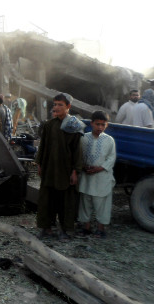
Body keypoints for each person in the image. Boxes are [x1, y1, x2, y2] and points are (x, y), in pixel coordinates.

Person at [35, 93, 84, 240]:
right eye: (55, 104)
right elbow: (43, 146)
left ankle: (65, 230)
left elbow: (77, 151)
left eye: (60, 105)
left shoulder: (74, 126)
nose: (56, 107)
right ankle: (47, 228)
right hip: (49, 169)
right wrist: (39, 164)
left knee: (66, 201)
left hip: (66, 170)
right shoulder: (50, 125)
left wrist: (75, 171)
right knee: (46, 199)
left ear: (68, 106)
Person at [77, 111, 116, 239]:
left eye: (103, 125)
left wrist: (99, 168)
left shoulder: (109, 140)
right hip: (86, 176)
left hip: (101, 177)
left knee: (102, 204)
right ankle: (86, 227)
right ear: (91, 123)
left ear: (107, 125)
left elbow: (111, 158)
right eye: (97, 124)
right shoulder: (83, 138)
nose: (100, 127)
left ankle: (100, 229)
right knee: (85, 202)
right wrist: (82, 166)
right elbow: (79, 155)